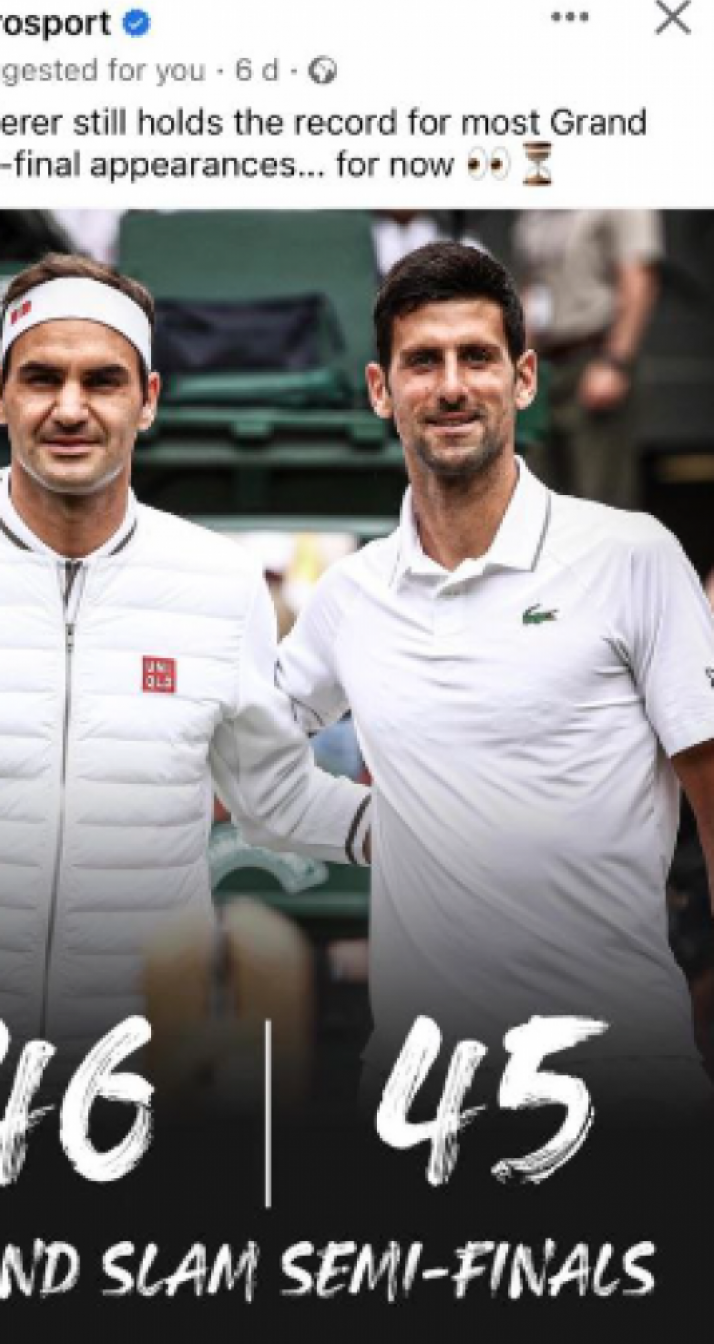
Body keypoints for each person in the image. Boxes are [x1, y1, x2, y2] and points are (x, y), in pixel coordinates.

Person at [0, 253, 370, 1117]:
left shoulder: (219, 583)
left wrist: (426, 825)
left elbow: (272, 796)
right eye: (42, 377)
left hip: (133, 1095)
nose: (70, 408)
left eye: (103, 380)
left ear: (147, 399)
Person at [276, 241, 714, 1114]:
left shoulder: (633, 556)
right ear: (380, 390)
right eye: (422, 362)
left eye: (476, 357)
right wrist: (363, 827)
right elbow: (237, 746)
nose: (451, 386)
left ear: (523, 379)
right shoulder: (350, 594)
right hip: (416, 1104)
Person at [512, 210, 662, 509]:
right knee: (542, 491)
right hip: (544, 363)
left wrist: (615, 361)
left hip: (593, 355)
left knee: (600, 495)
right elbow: (533, 284)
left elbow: (639, 280)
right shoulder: (537, 206)